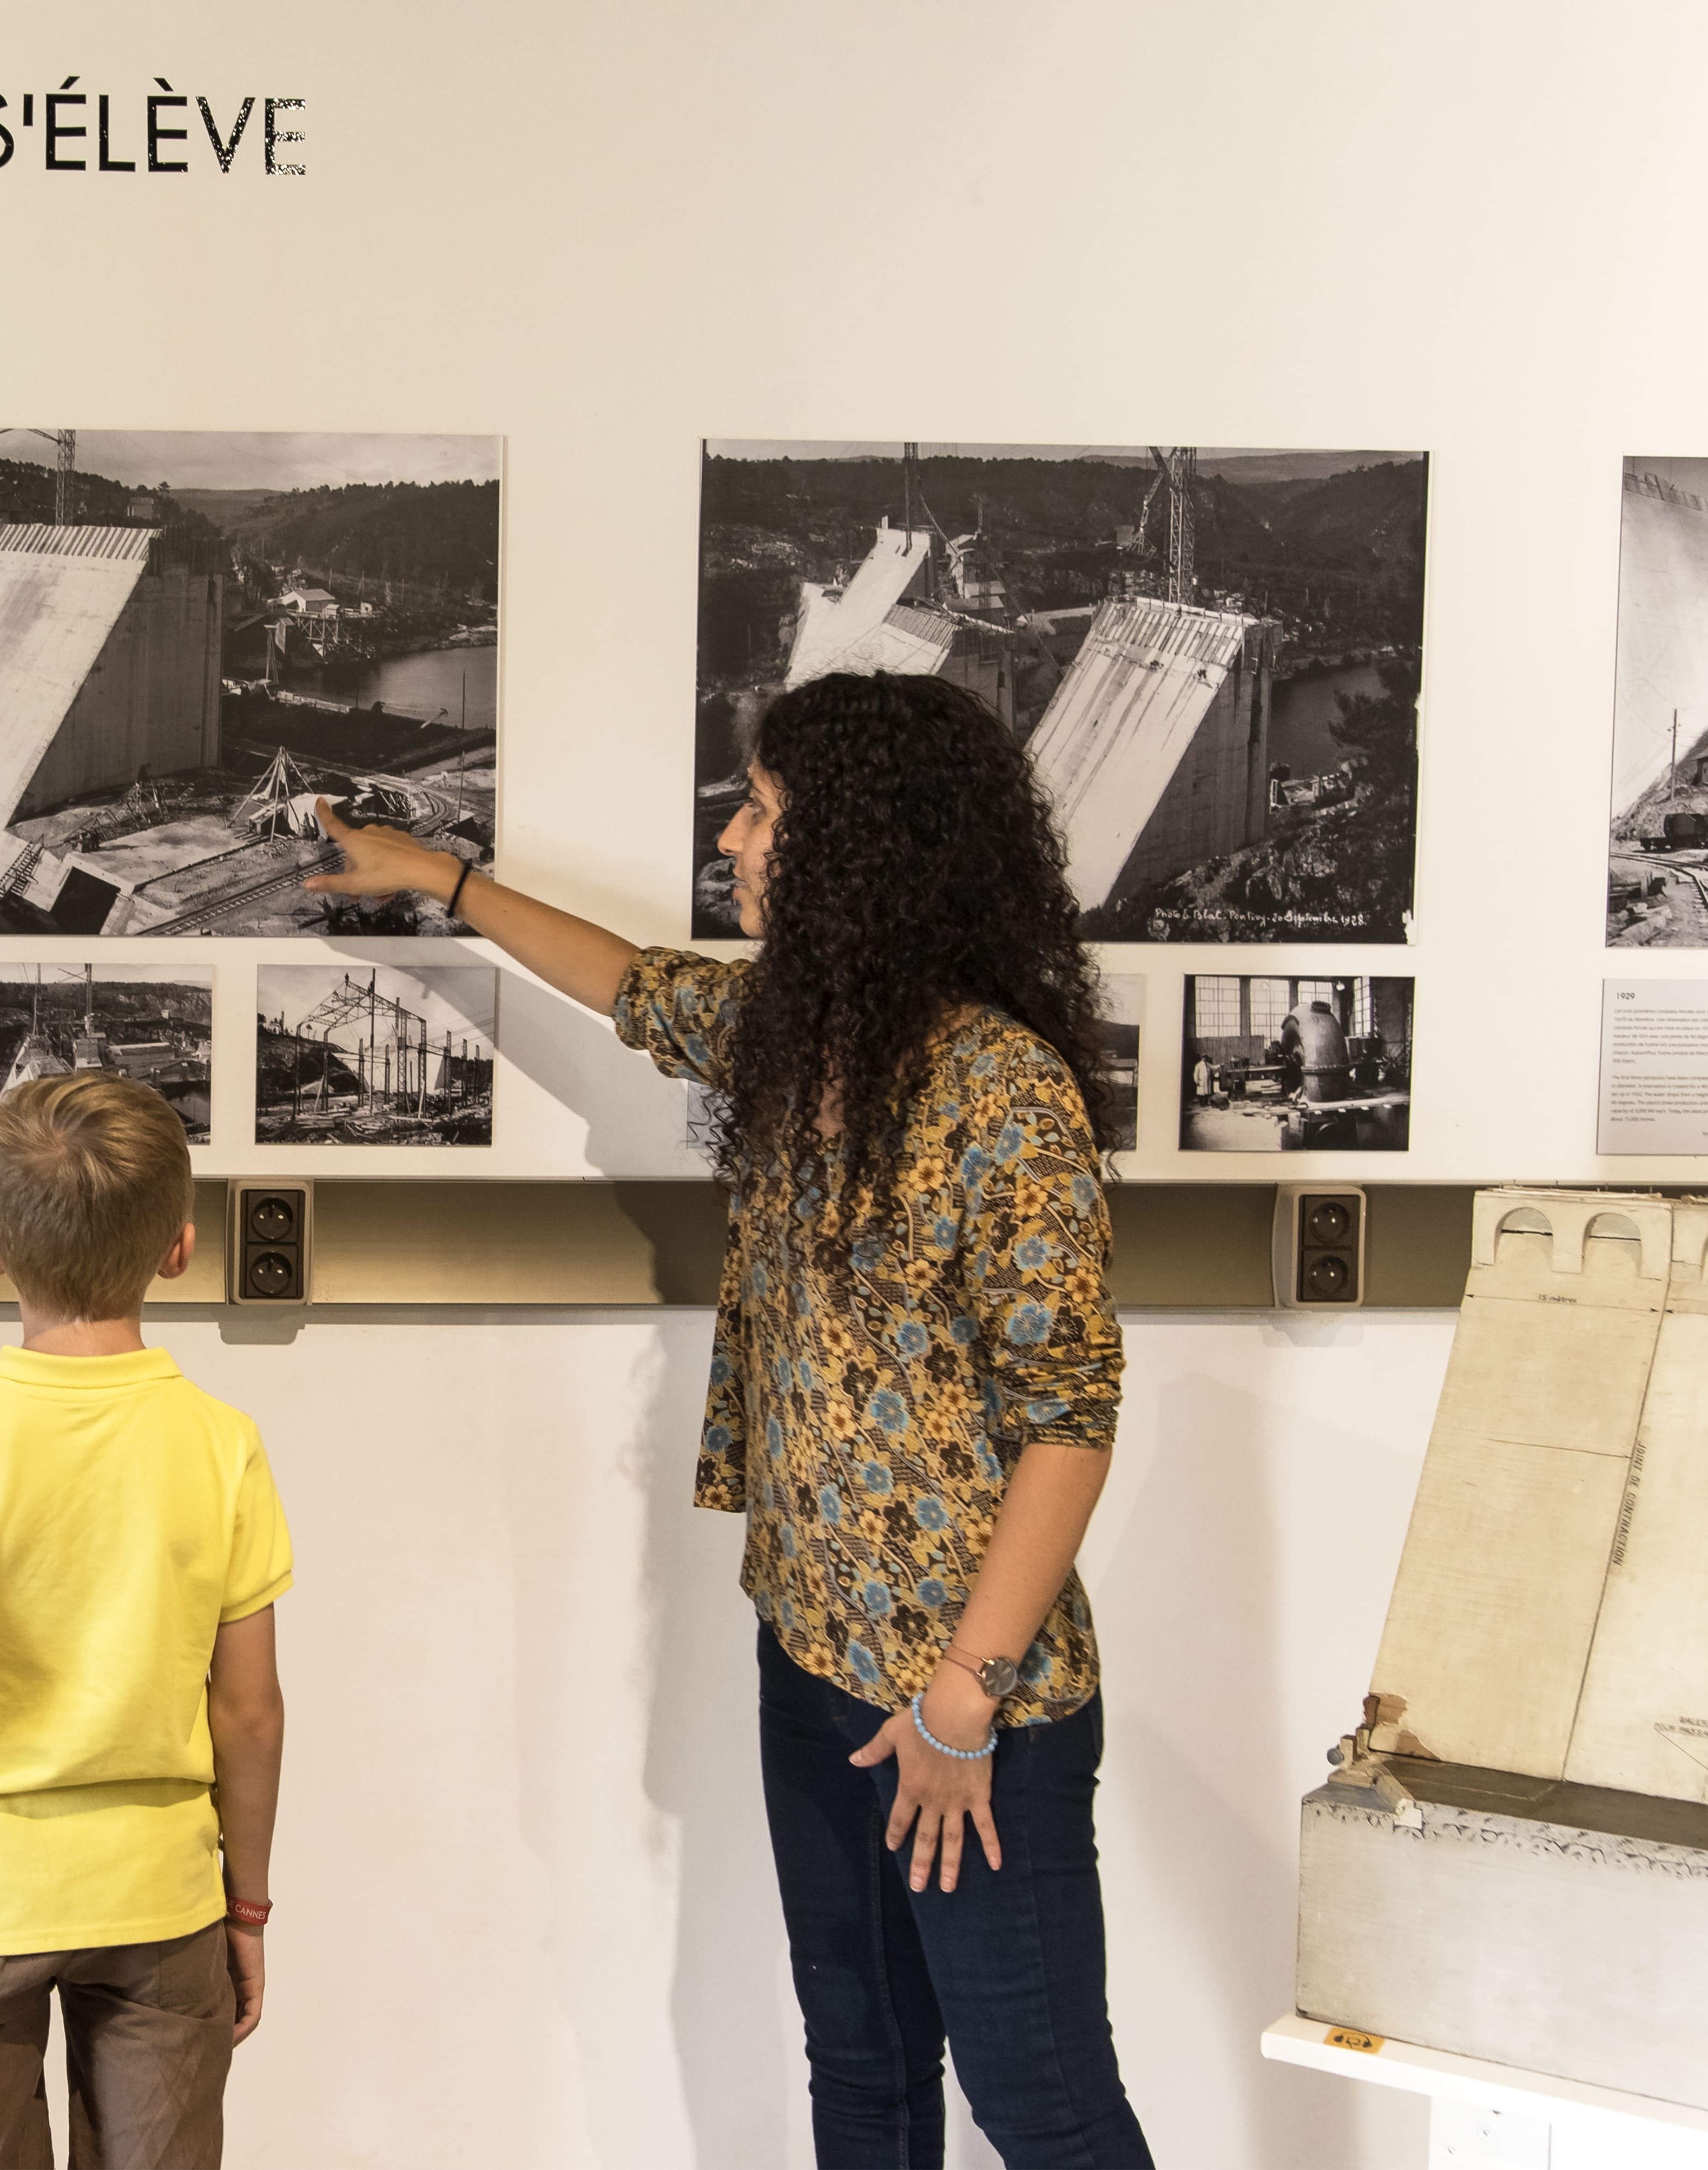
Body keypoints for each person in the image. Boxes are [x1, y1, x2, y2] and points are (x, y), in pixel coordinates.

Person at [308, 670, 1151, 2168]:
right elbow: (631, 982)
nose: (735, 838)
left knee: (1044, 2105)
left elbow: (1067, 1416)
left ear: (857, 850)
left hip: (971, 1705)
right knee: (866, 2065)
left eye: (764, 812)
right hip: (816, 1655)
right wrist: (436, 875)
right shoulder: (794, 1027)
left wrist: (963, 1699)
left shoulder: (1001, 1088)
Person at [0, 1071, 292, 2170]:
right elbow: (251, 1711)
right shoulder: (220, 1441)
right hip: (158, 1895)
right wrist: (248, 1905)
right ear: (178, 1246)